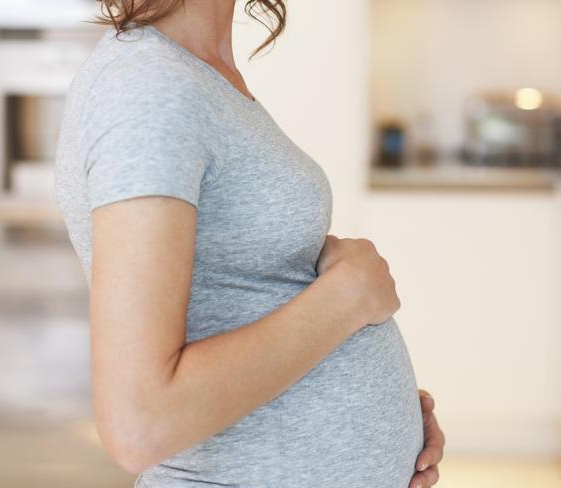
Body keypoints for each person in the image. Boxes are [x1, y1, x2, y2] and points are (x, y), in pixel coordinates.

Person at [53, 1, 445, 486]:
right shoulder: (148, 86)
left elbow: (245, 294)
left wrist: (389, 414)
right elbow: (140, 422)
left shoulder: (199, 70)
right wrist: (346, 301)